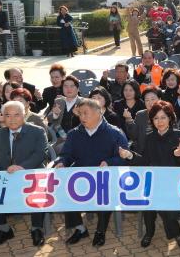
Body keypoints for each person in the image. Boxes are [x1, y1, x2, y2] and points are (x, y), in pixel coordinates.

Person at [54, 99, 128, 246]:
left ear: (99, 112)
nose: (82, 117)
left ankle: (101, 231)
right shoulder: (74, 134)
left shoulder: (115, 133)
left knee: (104, 191)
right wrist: (61, 163)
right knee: (65, 187)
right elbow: (67, 155)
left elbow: (124, 157)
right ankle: (80, 229)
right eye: (80, 114)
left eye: (86, 113)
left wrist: (109, 162)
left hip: (106, 179)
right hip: (81, 178)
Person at [118, 101, 180, 249]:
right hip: (155, 181)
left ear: (170, 118)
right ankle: (150, 232)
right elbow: (144, 160)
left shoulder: (179, 135)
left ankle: (175, 232)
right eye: (156, 118)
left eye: (163, 117)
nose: (160, 122)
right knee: (148, 198)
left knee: (160, 200)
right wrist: (130, 155)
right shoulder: (150, 138)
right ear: (152, 121)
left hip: (175, 183)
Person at [0, 101, 48, 247]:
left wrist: (21, 167)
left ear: (24, 115)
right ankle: (4, 229)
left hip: (31, 172)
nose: (12, 119)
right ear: (3, 117)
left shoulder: (37, 131)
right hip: (6, 174)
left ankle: (36, 228)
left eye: (17, 115)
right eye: (8, 115)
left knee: (39, 188)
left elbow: (41, 154)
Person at [46, 76, 83, 144]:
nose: (68, 89)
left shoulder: (84, 102)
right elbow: (49, 118)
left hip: (78, 138)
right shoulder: (59, 101)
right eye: (65, 86)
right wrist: (55, 115)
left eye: (72, 86)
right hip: (59, 136)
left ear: (78, 89)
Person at [125, 87, 161, 153]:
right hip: (143, 152)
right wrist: (129, 120)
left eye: (153, 99)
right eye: (147, 100)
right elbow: (133, 136)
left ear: (160, 99)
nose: (150, 102)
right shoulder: (140, 115)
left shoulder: (167, 113)